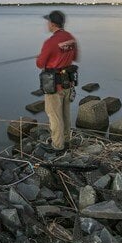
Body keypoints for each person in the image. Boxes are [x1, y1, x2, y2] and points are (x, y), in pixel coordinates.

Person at [36, 10, 78, 152]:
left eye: (48, 22)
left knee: (54, 117)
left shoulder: (50, 42)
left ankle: (57, 146)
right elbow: (75, 56)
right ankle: (66, 141)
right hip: (68, 84)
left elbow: (40, 64)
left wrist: (41, 56)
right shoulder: (71, 38)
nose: (47, 24)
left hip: (55, 86)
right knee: (65, 115)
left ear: (53, 24)